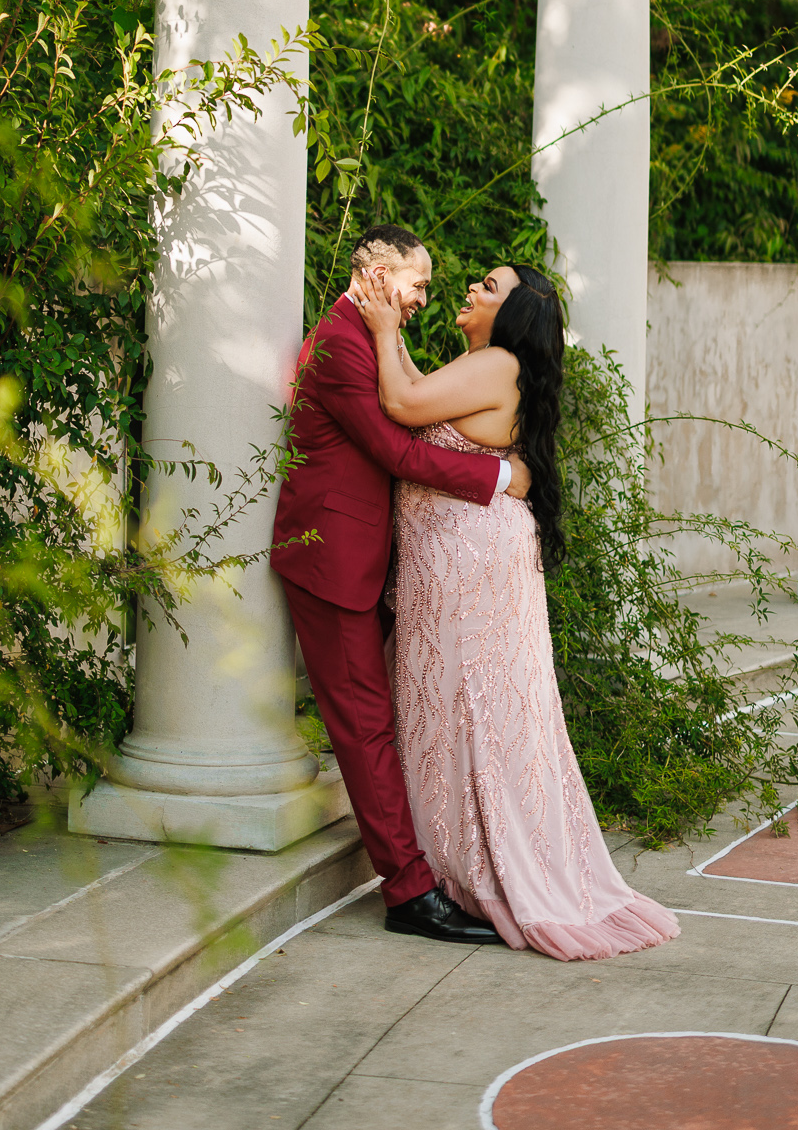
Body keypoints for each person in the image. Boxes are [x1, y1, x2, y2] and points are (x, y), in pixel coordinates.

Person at [351, 258, 680, 961]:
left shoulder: (496, 363)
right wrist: (391, 335)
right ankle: (463, 864)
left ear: (513, 315)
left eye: (488, 286)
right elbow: (410, 390)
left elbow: (401, 408)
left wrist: (380, 326)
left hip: (467, 563)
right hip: (460, 559)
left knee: (469, 706)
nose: (472, 289)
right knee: (462, 708)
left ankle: (477, 866)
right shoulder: (484, 365)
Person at [272, 223, 532, 944]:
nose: (423, 297)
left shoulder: (368, 333)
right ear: (380, 274)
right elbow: (394, 448)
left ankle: (431, 871)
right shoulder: (340, 343)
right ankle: (409, 893)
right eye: (416, 283)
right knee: (364, 726)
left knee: (386, 721)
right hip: (331, 560)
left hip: (367, 559)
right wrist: (499, 477)